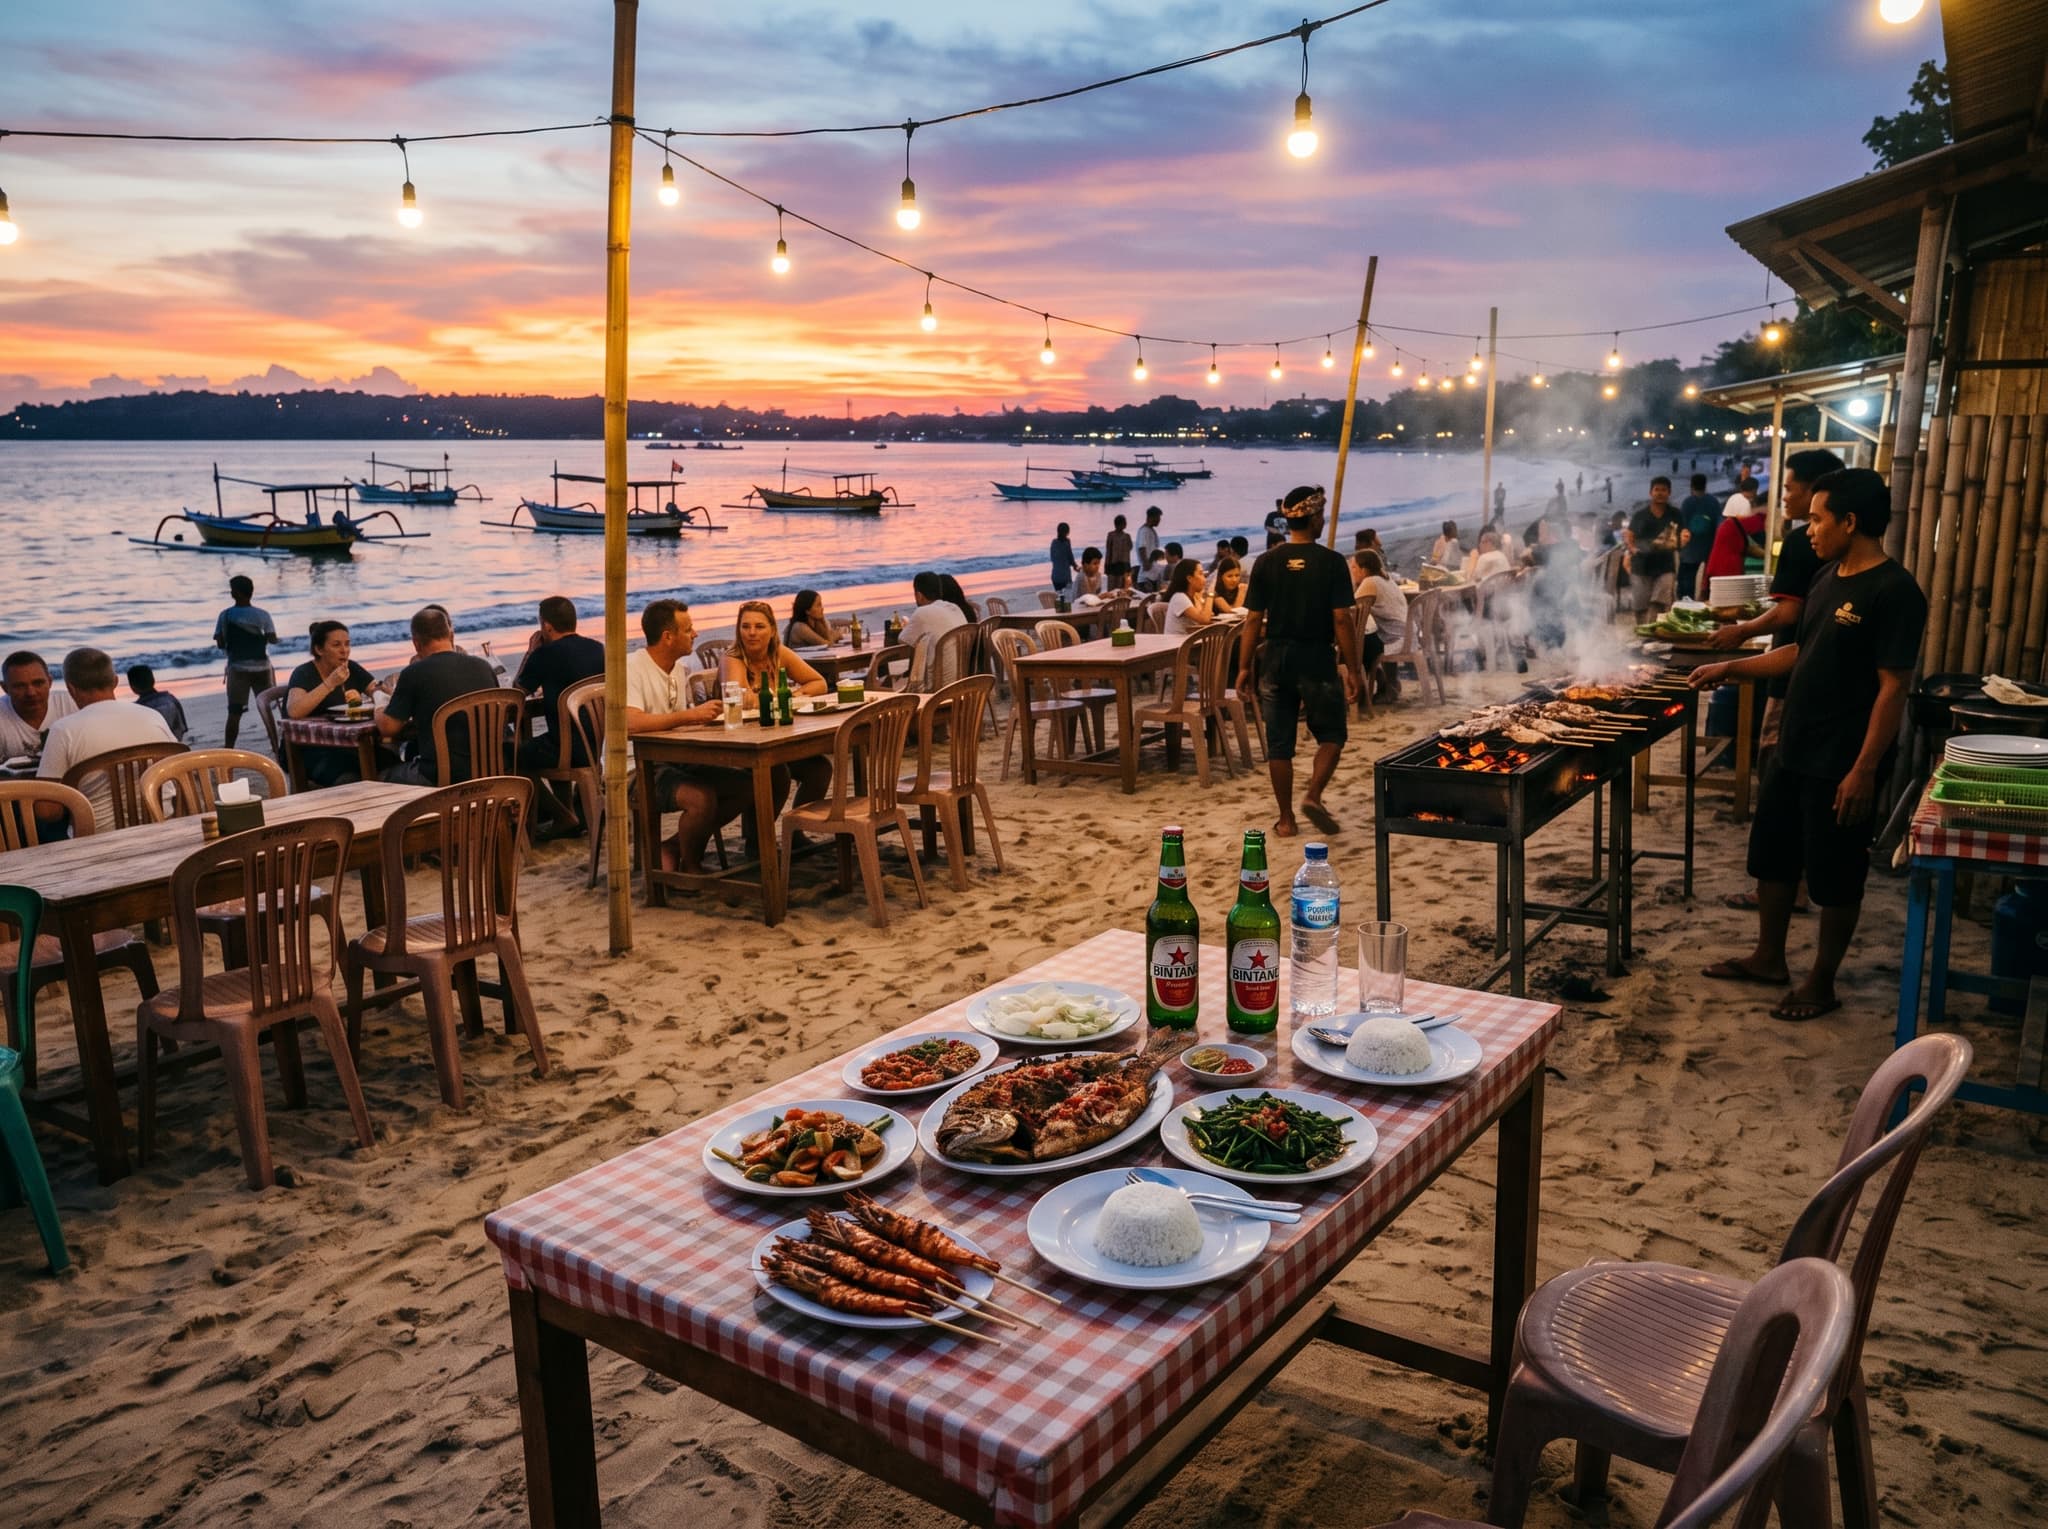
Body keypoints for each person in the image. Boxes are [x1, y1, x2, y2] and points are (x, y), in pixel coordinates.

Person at [1691, 469, 1925, 1023]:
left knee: (1836, 871)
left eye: (1818, 518)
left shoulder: (1894, 591)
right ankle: (1769, 958)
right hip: (1796, 743)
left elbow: (1894, 686)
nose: (1808, 528)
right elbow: (1800, 651)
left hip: (1843, 757)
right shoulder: (1826, 576)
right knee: (1773, 856)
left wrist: (1864, 769)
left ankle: (1822, 980)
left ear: (1851, 521)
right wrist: (1733, 666)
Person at [1236, 485, 1365, 838]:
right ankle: (1313, 794)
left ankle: (1286, 819)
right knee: (1333, 734)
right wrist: (1354, 669)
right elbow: (1342, 619)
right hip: (1316, 657)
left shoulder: (1266, 562)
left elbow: (1252, 620)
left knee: (1279, 744)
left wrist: (1244, 667)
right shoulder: (1332, 562)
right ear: (1316, 517)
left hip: (1275, 658)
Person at [626, 598, 747, 873]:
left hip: (672, 759)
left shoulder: (679, 670)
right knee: (700, 799)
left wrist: (705, 721)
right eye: (689, 628)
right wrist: (690, 716)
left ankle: (673, 846)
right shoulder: (632, 666)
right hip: (634, 768)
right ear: (668, 637)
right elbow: (630, 723)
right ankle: (691, 867)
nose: (696, 633)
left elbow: (676, 727)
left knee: (746, 785)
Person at [35, 647, 177, 827]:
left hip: (99, 841)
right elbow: (178, 773)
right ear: (115, 681)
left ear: (71, 689)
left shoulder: (63, 730)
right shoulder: (153, 716)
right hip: (162, 826)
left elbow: (47, 811)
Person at [724, 600, 831, 806]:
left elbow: (819, 683)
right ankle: (757, 838)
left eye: (759, 626)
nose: (751, 633)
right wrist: (777, 697)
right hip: (742, 746)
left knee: (819, 768)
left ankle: (796, 831)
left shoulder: (778, 653)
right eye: (745, 627)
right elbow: (741, 699)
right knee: (777, 772)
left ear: (772, 630)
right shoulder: (733, 658)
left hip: (775, 739)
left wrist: (792, 695)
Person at [378, 606, 500, 786]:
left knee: (383, 776)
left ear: (416, 643)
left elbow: (388, 728)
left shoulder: (413, 673)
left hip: (441, 776)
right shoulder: (483, 666)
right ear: (451, 634)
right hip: (493, 769)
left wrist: (379, 702)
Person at [513, 596, 606, 773]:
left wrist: (531, 651)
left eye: (541, 624)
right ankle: (565, 801)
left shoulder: (544, 654)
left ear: (547, 626)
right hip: (595, 747)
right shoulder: (597, 648)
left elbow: (517, 692)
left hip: (564, 750)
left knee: (514, 754)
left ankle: (544, 802)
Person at [287, 621, 385, 786]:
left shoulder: (351, 668)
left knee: (392, 763)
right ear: (319, 649)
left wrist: (385, 689)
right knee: (350, 779)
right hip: (311, 749)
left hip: (349, 745)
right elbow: (294, 711)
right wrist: (330, 683)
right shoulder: (304, 673)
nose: (344, 650)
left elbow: (376, 690)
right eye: (336, 645)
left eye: (347, 644)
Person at [213, 574, 277, 749]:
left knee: (234, 712)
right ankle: (275, 744)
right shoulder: (263, 615)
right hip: (262, 668)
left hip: (238, 668)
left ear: (237, 593)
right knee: (266, 710)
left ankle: (229, 747)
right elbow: (272, 639)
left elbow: (219, 642)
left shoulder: (225, 615)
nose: (231, 592)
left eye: (232, 589)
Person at [0, 650, 77, 758]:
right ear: (5, 688)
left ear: (50, 682)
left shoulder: (73, 703)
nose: (31, 693)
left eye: (38, 683)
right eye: (20, 686)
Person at [1626, 476, 1684, 618]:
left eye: (1664, 490)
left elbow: (1682, 534)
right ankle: (1644, 635)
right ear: (1650, 492)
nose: (1660, 493)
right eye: (1656, 489)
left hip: (1665, 566)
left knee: (1659, 602)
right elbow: (1629, 535)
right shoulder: (1640, 515)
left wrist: (1683, 540)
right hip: (1640, 566)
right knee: (1640, 606)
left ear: (1669, 493)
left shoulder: (1675, 514)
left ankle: (1651, 636)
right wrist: (1632, 548)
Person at [899, 570, 969, 688]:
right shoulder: (954, 608)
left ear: (919, 595)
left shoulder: (922, 612)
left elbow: (903, 639)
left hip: (938, 688)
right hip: (962, 681)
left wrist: (908, 626)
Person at [1354, 549, 1406, 700]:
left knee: (1359, 644)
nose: (1352, 571)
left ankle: (1379, 684)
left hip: (1395, 637)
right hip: (1405, 633)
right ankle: (1388, 682)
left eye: (1354, 568)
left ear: (1363, 569)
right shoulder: (1386, 578)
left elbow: (1351, 608)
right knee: (1368, 639)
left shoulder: (1370, 582)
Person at [1704, 482, 1766, 583]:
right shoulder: (1736, 525)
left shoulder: (1729, 523)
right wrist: (1768, 555)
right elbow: (1749, 549)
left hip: (1721, 573)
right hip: (1727, 575)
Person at [1677, 472, 1721, 599]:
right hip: (1709, 545)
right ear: (1705, 485)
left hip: (1690, 548)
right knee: (1709, 579)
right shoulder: (1713, 501)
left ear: (1691, 486)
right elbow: (1718, 523)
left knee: (1687, 579)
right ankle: (1707, 600)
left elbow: (1682, 523)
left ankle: (1686, 602)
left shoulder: (1687, 502)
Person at [125, 666, 189, 743]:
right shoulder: (171, 699)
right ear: (153, 680)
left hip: (152, 749)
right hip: (175, 746)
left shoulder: (135, 710)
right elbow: (183, 728)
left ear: (133, 687)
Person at [1161, 559, 1215, 635]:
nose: (1204, 578)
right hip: (1178, 645)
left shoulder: (1193, 596)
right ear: (1190, 578)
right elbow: (1204, 619)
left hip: (1191, 642)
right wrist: (1210, 593)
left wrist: (1200, 598)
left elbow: (1207, 616)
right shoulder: (1179, 598)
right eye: (1201, 574)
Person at [1049, 522, 1078, 598]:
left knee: (1060, 598)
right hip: (1065, 577)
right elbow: (1070, 557)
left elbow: (1052, 558)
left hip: (1055, 576)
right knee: (1067, 599)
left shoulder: (1054, 542)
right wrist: (1076, 566)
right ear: (1067, 532)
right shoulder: (1067, 542)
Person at [1104, 514, 1134, 585]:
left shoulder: (1112, 535)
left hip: (1119, 564)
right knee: (1115, 586)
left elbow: (1108, 550)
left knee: (1118, 586)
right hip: (1117, 564)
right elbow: (1130, 548)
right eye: (1124, 523)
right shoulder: (1125, 536)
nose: (1126, 524)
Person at [1135, 506, 1164, 576]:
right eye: (1158, 517)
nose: (1159, 520)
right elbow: (1141, 548)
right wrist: (1146, 564)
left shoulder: (1150, 530)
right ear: (1150, 517)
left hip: (1151, 571)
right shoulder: (1144, 531)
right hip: (1147, 573)